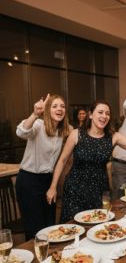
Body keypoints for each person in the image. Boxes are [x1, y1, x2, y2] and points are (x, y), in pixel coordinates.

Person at [15, 95, 69, 240]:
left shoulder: (62, 131)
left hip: (48, 181)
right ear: (47, 110)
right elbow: (21, 132)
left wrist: (53, 186)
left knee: (49, 226)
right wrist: (35, 114)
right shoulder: (38, 125)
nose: (59, 109)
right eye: (55, 106)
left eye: (62, 106)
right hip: (29, 181)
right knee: (34, 228)